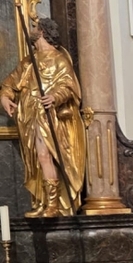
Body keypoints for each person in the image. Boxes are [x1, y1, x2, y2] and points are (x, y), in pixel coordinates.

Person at [0, 17, 86, 217]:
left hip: (47, 115)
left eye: (35, 27)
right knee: (37, 161)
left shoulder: (59, 59)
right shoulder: (28, 61)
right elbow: (10, 83)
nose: (32, 29)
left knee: (45, 155)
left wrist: (54, 97)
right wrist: (5, 96)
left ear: (42, 32)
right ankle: (43, 201)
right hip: (29, 116)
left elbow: (69, 87)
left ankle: (53, 204)